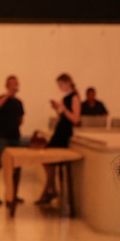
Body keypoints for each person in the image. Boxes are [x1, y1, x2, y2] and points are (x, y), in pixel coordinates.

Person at [36, 73, 81, 205]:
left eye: (61, 85)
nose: (60, 87)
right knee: (47, 159)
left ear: (68, 82)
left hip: (64, 132)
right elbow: (63, 117)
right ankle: (50, 189)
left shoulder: (74, 97)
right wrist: (57, 109)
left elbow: (75, 119)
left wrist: (63, 109)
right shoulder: (66, 97)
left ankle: (49, 190)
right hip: (60, 130)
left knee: (49, 158)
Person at [0, 75, 24, 205]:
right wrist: (8, 95)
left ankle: (13, 194)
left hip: (15, 137)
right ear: (7, 85)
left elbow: (21, 119)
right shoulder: (1, 99)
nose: (14, 85)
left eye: (16, 83)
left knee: (16, 166)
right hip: (3, 137)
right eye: (11, 83)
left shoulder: (19, 102)